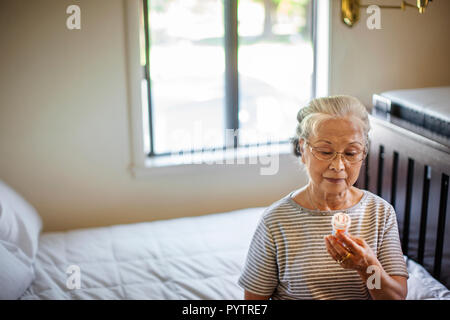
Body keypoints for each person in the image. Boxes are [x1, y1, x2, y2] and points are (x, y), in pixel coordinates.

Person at [238, 95, 409, 300]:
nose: (338, 166)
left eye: (351, 153)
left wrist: (366, 266)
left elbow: (394, 298)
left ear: (363, 153)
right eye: (325, 151)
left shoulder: (380, 214)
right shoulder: (276, 221)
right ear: (303, 148)